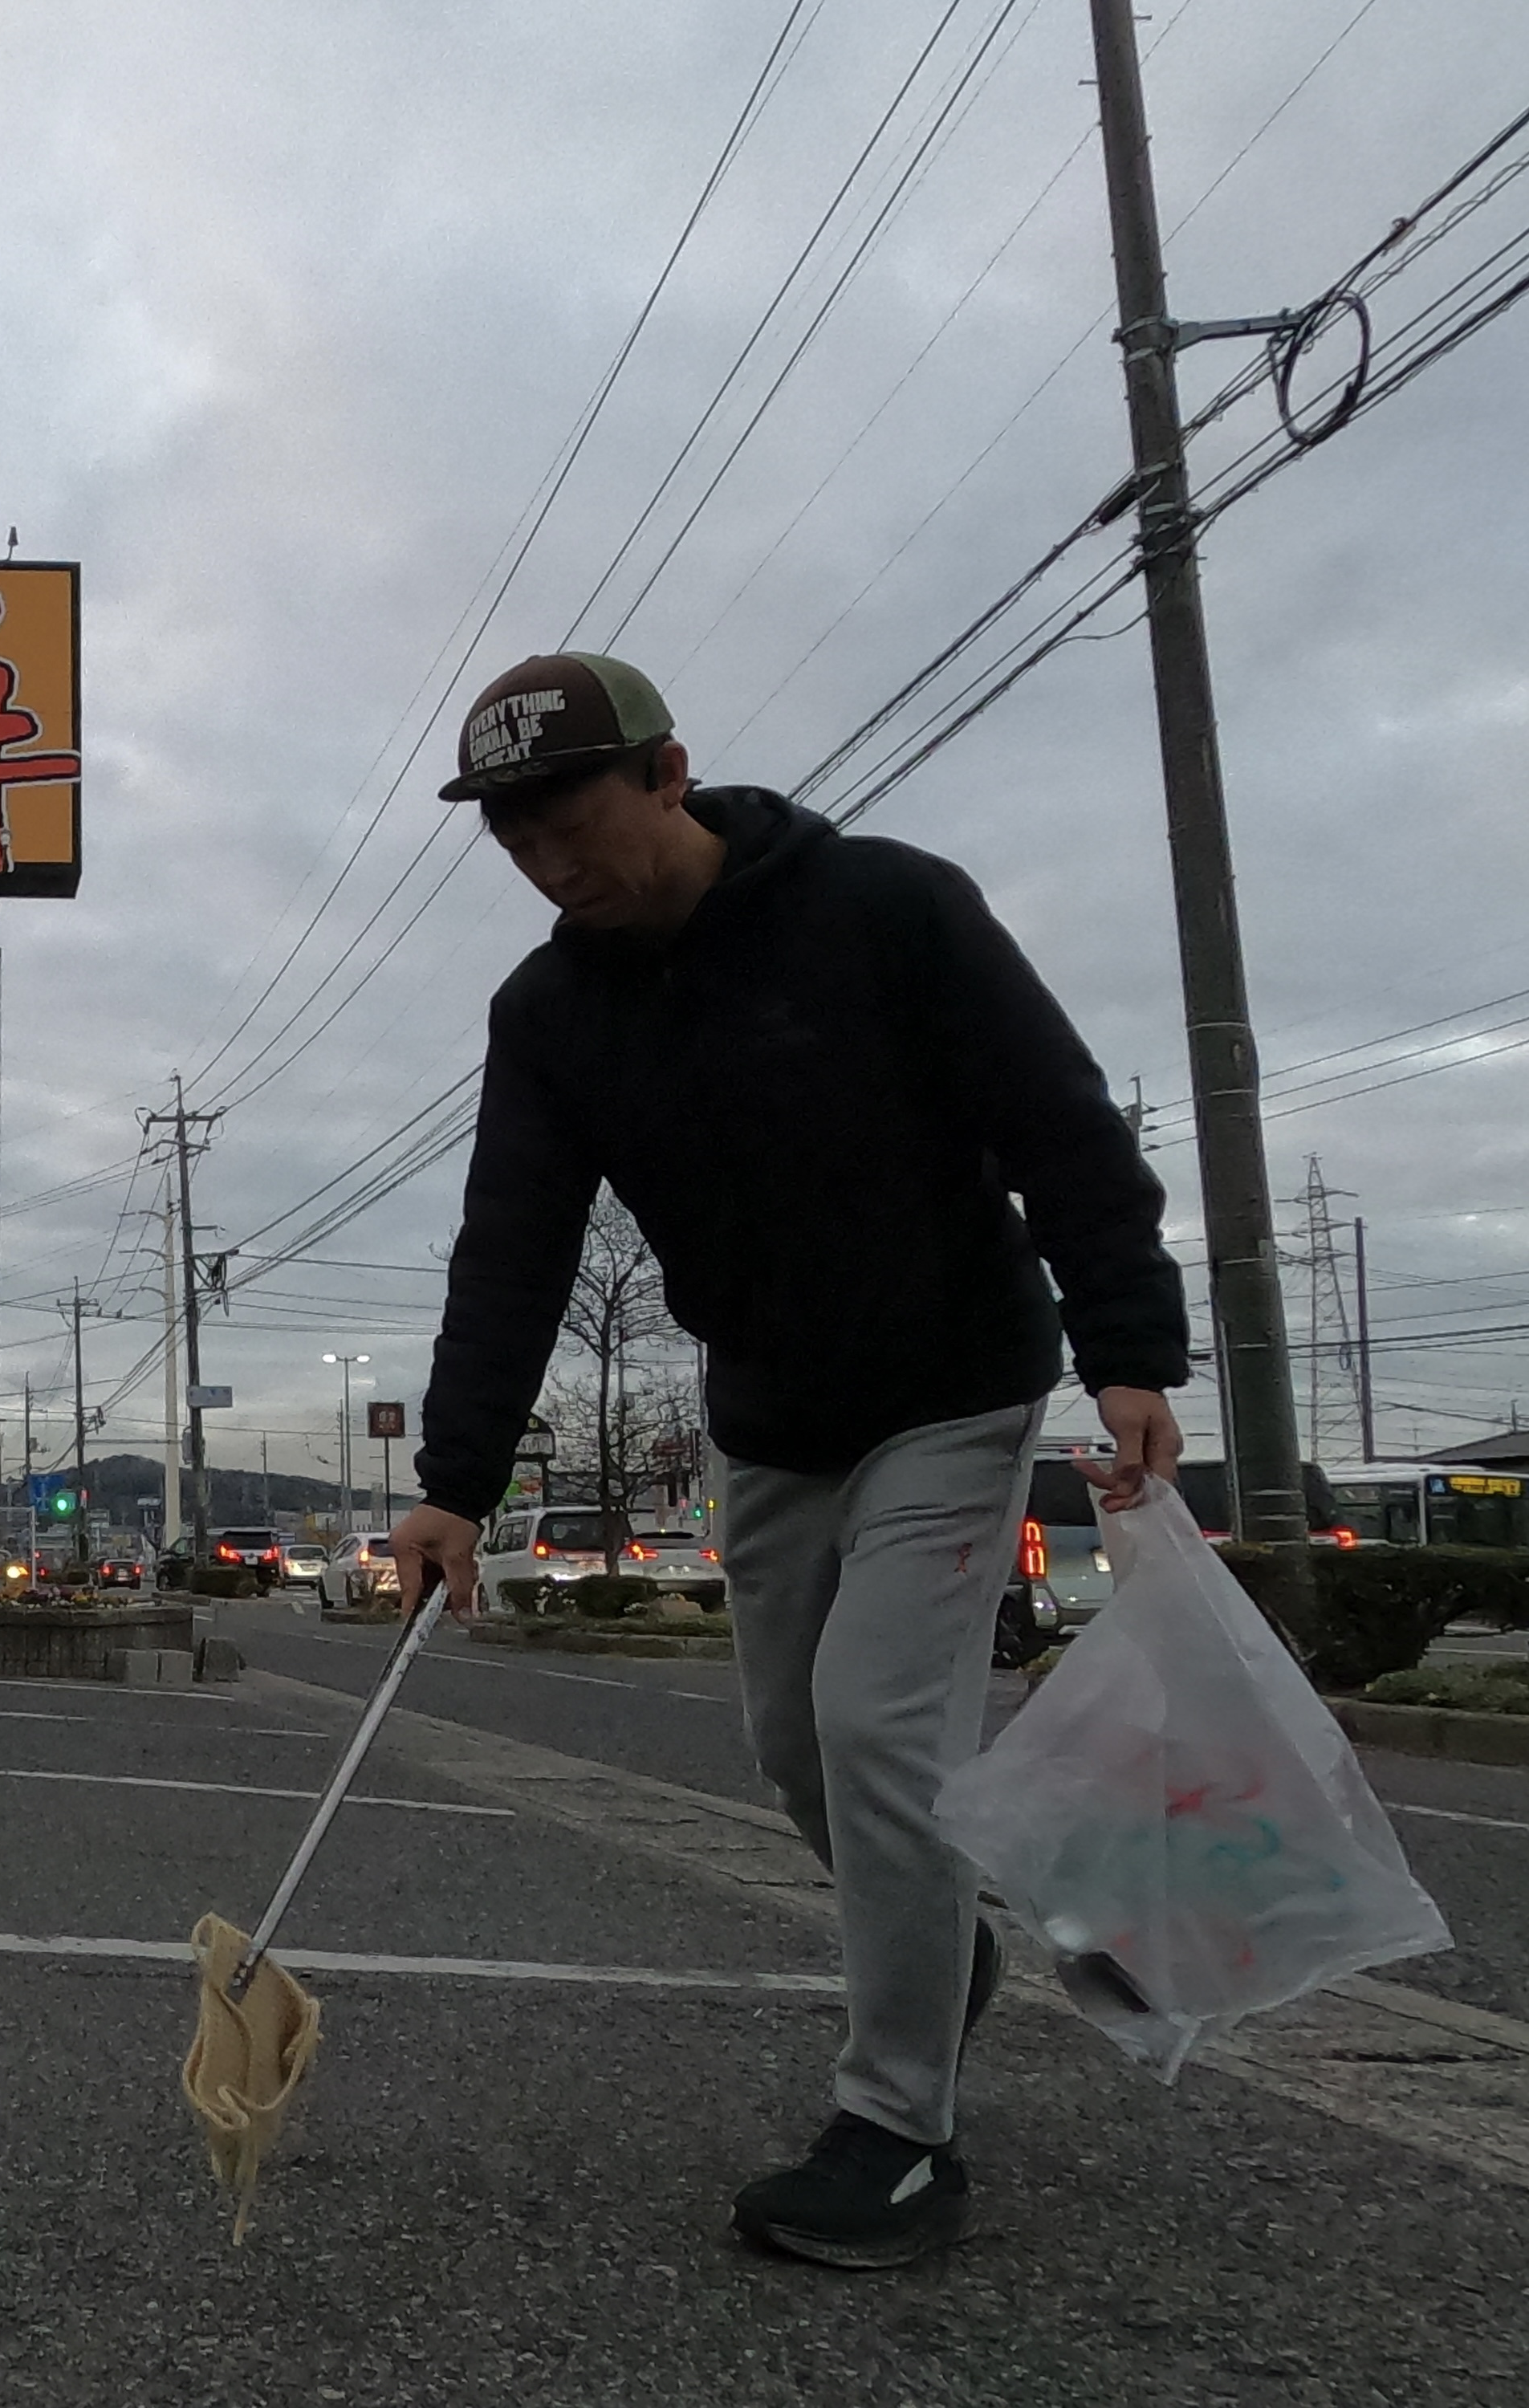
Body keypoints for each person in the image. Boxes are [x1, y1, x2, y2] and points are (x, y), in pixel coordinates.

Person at [386, 651, 1189, 2270]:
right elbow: (514, 1247)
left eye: (569, 819)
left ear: (670, 775)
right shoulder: (550, 1014)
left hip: (954, 1391)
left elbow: (1058, 1119)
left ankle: (899, 2131)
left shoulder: (888, 911)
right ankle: (936, 1954)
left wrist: (1128, 1348)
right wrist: (453, 1481)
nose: (547, 862)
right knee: (792, 1751)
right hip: (771, 1420)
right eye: (512, 838)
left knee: (875, 1727)